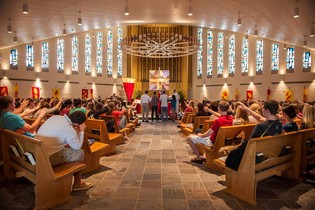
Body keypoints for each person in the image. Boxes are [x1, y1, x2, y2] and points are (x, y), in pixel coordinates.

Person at [35, 111, 93, 191]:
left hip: (37, 152)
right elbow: (77, 146)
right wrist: (82, 131)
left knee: (67, 149)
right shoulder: (69, 128)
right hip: (47, 159)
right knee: (80, 153)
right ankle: (77, 183)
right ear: (78, 124)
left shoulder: (55, 117)